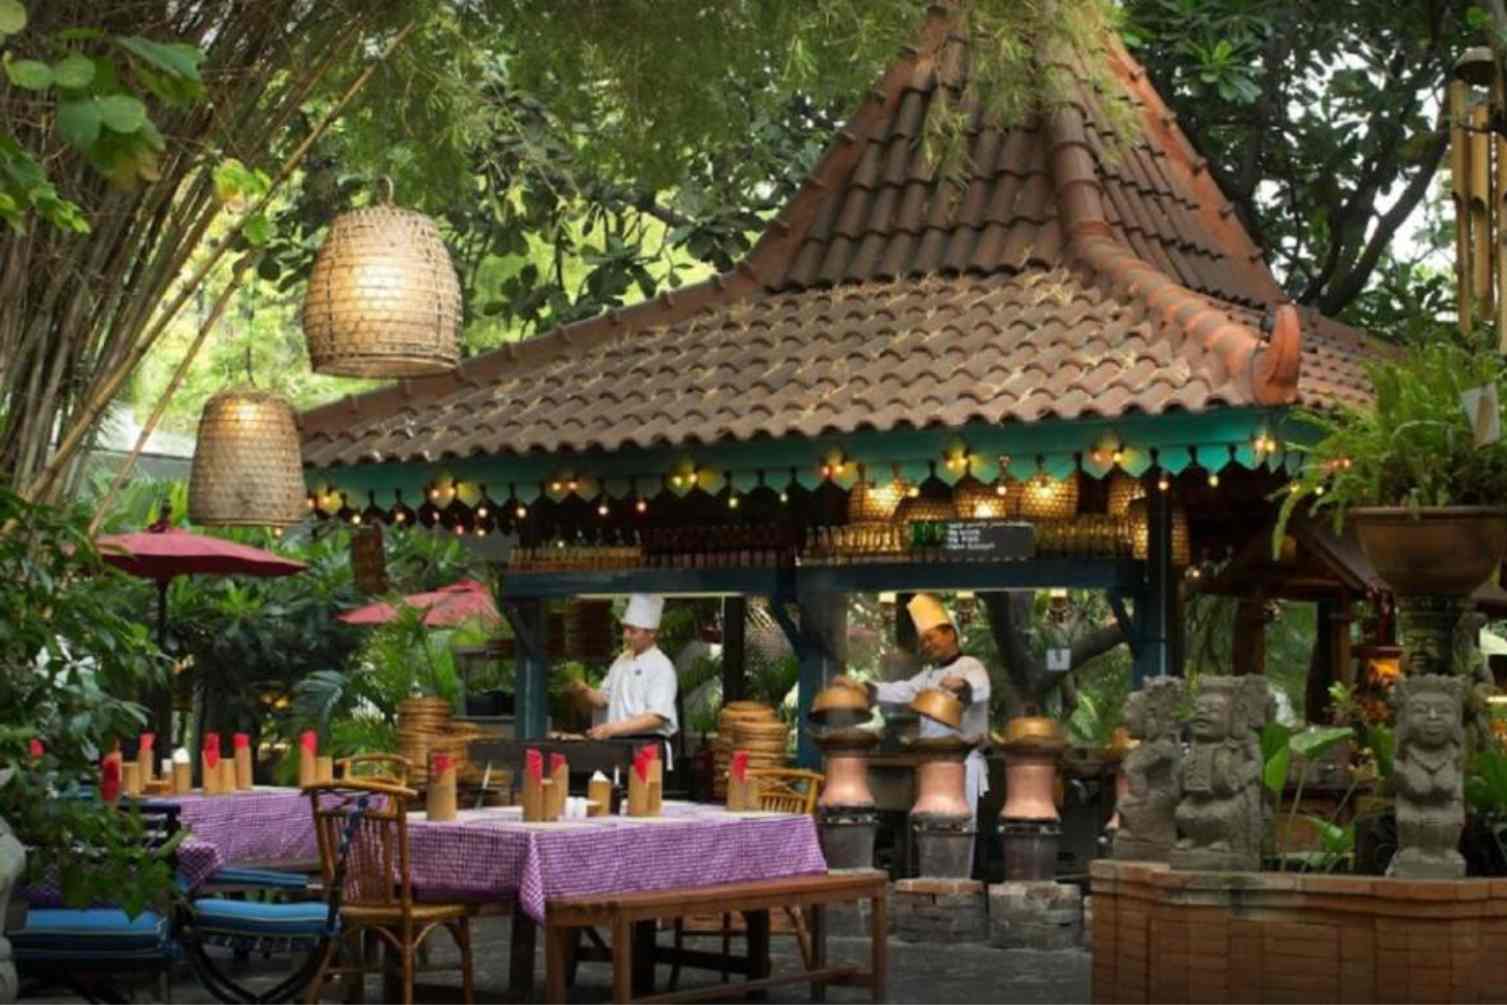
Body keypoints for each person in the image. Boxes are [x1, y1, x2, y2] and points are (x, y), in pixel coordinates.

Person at [835, 593, 991, 814]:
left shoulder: (971, 665)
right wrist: (862, 687)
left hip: (963, 764)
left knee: (960, 824)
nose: (927, 645)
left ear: (950, 634)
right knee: (930, 822)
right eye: (923, 641)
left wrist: (963, 685)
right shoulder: (928, 676)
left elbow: (982, 687)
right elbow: (901, 690)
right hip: (931, 762)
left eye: (931, 638)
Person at [573, 594, 679, 764]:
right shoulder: (621, 660)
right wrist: (584, 690)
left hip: (648, 747)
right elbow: (603, 699)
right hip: (617, 744)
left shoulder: (661, 666)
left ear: (651, 633)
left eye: (633, 631)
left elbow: (657, 717)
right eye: (625, 629)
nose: (626, 636)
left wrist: (612, 729)